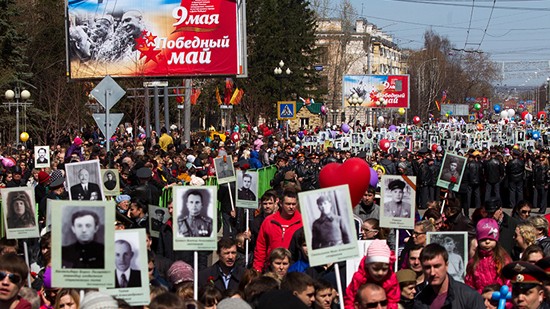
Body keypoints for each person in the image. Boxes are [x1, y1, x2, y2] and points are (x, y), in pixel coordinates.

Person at [413, 243, 485, 309]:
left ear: (446, 265)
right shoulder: (419, 300)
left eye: (437, 266)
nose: (432, 273)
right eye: (427, 267)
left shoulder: (469, 296)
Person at [253, 189, 303, 272]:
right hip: (271, 268)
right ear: (280, 203)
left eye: (293, 204)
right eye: (288, 204)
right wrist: (257, 268)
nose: (291, 207)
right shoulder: (269, 221)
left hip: (294, 269)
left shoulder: (302, 222)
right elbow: (261, 247)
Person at [345, 239, 400, 309]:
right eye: (375, 269)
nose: (380, 273)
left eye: (384, 269)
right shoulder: (359, 277)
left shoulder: (391, 278)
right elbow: (350, 299)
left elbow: (393, 300)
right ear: (367, 265)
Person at [464, 218, 511, 293]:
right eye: (483, 239)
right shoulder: (473, 262)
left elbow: (509, 282)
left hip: (500, 299)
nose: (487, 242)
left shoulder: (503, 259)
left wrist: (506, 301)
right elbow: (469, 284)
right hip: (479, 300)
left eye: (491, 239)